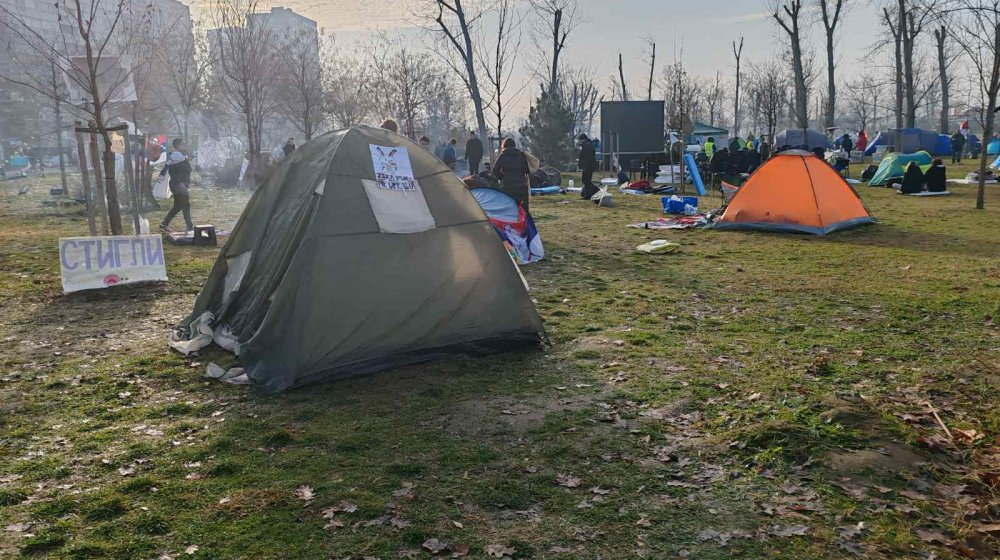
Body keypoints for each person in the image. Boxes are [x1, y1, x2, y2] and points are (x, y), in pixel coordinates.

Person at [159, 138, 194, 233]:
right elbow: (185, 159)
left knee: (178, 206)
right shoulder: (176, 155)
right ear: (177, 146)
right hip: (178, 184)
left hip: (179, 184)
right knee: (185, 205)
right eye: (183, 144)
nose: (185, 145)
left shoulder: (178, 155)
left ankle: (164, 223)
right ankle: (190, 227)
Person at [491, 137, 531, 210]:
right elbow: (527, 170)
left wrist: (502, 177)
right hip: (521, 186)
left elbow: (495, 169)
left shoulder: (502, 155)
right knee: (524, 210)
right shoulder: (521, 155)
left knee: (509, 209)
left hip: (507, 186)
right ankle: (525, 221)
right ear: (514, 145)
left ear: (504, 146)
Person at [577, 133, 598, 199]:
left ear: (581, 140)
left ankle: (594, 191)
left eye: (579, 140)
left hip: (587, 166)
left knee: (585, 180)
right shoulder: (589, 144)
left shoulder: (586, 145)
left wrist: (584, 166)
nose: (578, 142)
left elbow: (586, 157)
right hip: (589, 166)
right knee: (587, 180)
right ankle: (588, 193)